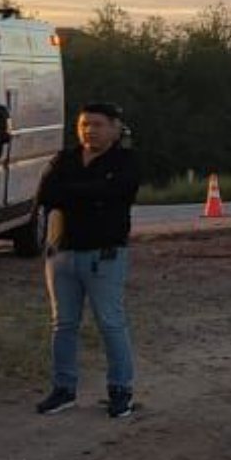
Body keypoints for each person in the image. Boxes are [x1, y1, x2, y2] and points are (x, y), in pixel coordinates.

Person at [33, 102, 141, 420]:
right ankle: (63, 389)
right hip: (61, 253)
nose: (89, 130)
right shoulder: (64, 158)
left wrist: (75, 193)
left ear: (115, 127)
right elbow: (45, 195)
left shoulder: (125, 161)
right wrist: (91, 194)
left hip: (104, 256)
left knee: (110, 323)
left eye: (96, 124)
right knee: (63, 324)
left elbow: (117, 192)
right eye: (83, 124)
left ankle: (120, 390)